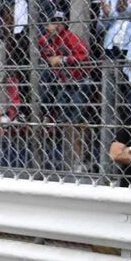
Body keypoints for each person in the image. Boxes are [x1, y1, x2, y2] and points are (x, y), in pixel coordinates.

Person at [36, 14, 91, 170]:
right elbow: (45, 58)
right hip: (60, 83)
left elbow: (84, 56)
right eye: (52, 23)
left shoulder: (70, 37)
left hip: (78, 82)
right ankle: (45, 111)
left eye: (58, 23)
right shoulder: (45, 40)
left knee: (75, 121)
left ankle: (81, 160)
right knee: (65, 121)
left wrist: (64, 59)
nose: (55, 26)